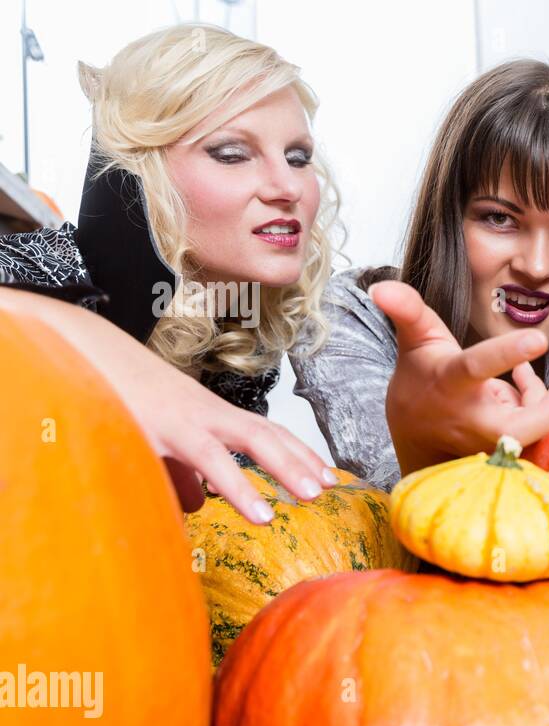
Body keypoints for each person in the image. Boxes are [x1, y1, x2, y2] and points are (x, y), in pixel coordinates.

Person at [0, 25, 339, 523]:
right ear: (134, 172)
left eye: (298, 157)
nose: (287, 186)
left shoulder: (238, 336)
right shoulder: (29, 268)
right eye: (231, 154)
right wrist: (102, 355)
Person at [292, 59, 549, 491]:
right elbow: (415, 511)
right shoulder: (353, 318)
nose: (536, 267)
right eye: (499, 219)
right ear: (449, 217)